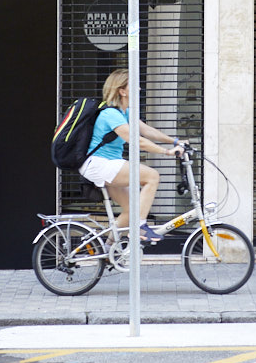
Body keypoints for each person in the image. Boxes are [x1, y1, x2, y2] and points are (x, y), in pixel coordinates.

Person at [79, 68, 184, 243]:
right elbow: (136, 140)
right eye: (134, 85)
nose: (140, 89)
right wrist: (166, 152)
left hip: (109, 164)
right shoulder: (110, 114)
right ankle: (140, 227)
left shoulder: (124, 113)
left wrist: (174, 142)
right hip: (100, 164)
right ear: (122, 91)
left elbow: (146, 130)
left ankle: (108, 249)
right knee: (152, 176)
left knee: (131, 210)